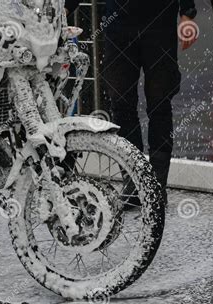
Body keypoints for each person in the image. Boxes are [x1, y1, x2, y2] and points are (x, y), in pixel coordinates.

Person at [65, 0, 198, 206]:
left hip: (159, 24)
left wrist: (187, 13)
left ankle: (155, 186)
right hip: (118, 24)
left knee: (159, 105)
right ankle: (134, 183)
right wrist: (66, 7)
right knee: (121, 104)